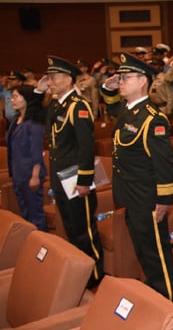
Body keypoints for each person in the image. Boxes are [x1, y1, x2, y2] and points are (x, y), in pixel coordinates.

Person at [100, 53, 173, 300]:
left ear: (143, 81)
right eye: (120, 77)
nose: (120, 81)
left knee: (156, 255)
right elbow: (112, 107)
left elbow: (164, 165)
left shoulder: (154, 119)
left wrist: (164, 200)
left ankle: (168, 304)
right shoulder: (128, 109)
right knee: (143, 252)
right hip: (130, 196)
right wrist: (107, 87)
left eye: (126, 77)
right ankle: (154, 299)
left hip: (147, 199)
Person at [36, 56, 104, 288]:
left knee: (84, 229)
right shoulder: (58, 104)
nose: (50, 82)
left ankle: (95, 276)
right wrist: (38, 92)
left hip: (76, 179)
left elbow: (86, 146)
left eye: (54, 78)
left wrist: (85, 180)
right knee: (72, 229)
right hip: (61, 178)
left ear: (67, 79)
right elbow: (43, 124)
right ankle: (80, 273)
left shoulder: (78, 106)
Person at [6, 85, 48, 231]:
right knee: (25, 214)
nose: (12, 100)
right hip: (18, 173)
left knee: (35, 214)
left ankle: (43, 244)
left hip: (30, 175)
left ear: (27, 99)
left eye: (16, 97)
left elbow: (36, 151)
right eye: (12, 97)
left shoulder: (34, 123)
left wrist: (35, 175)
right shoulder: (15, 120)